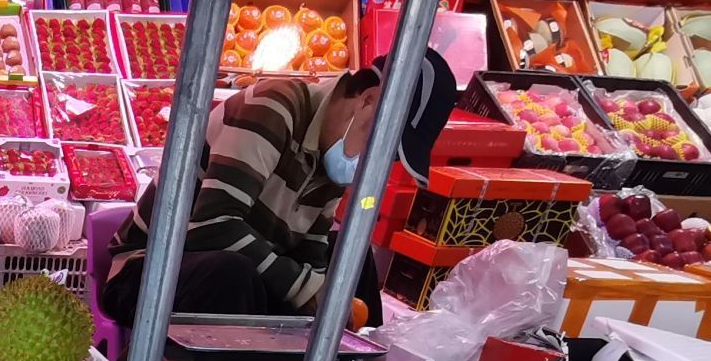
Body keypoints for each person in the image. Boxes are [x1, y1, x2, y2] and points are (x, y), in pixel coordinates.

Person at [101, 49, 458, 325]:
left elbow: (313, 246)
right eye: (382, 146)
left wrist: (326, 294)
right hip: (149, 271)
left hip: (247, 272)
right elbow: (212, 227)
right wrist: (308, 290)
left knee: (352, 259)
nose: (378, 164)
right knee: (231, 273)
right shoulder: (273, 107)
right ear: (367, 99)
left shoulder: (333, 151)